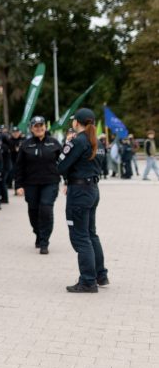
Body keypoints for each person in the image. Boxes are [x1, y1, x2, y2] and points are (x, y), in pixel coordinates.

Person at [58, 108, 108, 292]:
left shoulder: (78, 141)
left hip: (79, 191)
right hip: (92, 189)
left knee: (81, 237)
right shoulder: (98, 143)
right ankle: (100, 275)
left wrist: (66, 145)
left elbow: (61, 166)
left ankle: (88, 280)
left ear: (76, 122)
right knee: (91, 233)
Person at [13, 116, 61, 254]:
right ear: (31, 128)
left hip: (50, 183)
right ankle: (38, 234)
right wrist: (18, 185)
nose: (39, 128)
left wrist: (68, 181)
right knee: (33, 211)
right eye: (36, 126)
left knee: (46, 209)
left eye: (41, 125)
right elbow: (19, 166)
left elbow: (64, 163)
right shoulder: (26, 145)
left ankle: (45, 241)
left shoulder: (54, 143)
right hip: (31, 184)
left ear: (45, 127)